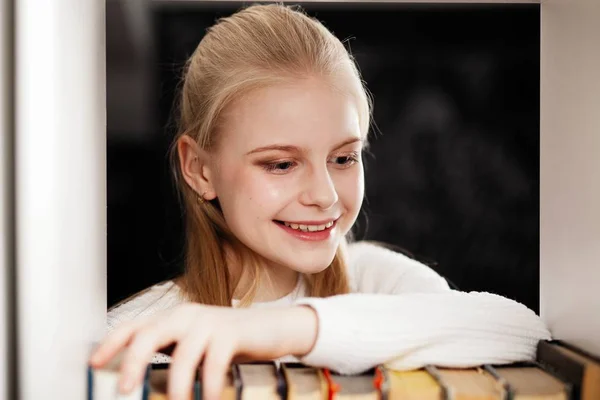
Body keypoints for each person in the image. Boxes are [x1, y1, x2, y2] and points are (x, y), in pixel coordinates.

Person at [90, 4, 551, 400]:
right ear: (200, 169)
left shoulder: (375, 277)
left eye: (344, 157)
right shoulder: (144, 334)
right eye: (280, 164)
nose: (325, 196)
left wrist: (279, 330)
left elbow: (522, 332)